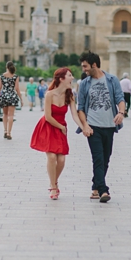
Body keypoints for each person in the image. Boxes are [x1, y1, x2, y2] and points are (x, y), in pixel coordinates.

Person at [77, 51, 125, 203]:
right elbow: (81, 108)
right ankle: (103, 190)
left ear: (94, 65)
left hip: (110, 126)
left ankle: (95, 185)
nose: (83, 69)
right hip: (93, 127)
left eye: (85, 66)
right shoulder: (84, 84)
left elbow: (120, 98)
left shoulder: (112, 80)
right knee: (97, 158)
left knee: (105, 159)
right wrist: (85, 125)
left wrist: (121, 113)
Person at [30, 67, 85, 200]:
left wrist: (83, 127)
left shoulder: (70, 94)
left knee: (61, 159)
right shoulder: (50, 94)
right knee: (52, 157)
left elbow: (74, 114)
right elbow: (48, 117)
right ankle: (54, 187)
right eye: (70, 76)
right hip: (49, 126)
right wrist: (61, 126)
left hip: (61, 128)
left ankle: (53, 181)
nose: (72, 78)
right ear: (61, 79)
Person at [0, 61, 22, 139]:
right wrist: (21, 99)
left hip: (4, 96)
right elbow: (17, 88)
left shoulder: (2, 76)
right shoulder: (15, 76)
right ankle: (9, 133)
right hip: (12, 96)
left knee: (5, 114)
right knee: (11, 115)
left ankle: (5, 131)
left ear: (6, 67)